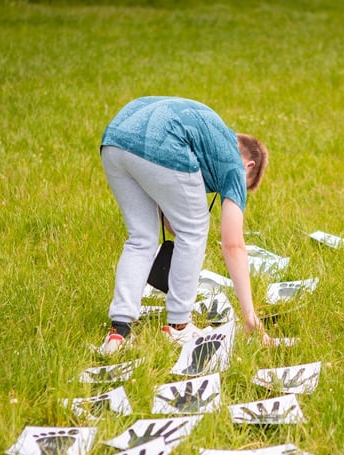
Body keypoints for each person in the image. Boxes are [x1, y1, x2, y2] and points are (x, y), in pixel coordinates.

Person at [97, 96, 272, 354]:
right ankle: (179, 327)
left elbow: (170, 217)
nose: (227, 192)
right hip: (160, 145)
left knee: (141, 238)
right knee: (195, 228)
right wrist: (249, 315)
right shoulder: (234, 164)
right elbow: (233, 244)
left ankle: (119, 332)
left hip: (114, 140)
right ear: (249, 165)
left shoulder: (207, 137)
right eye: (240, 188)